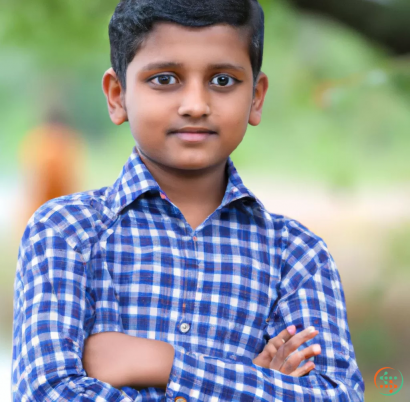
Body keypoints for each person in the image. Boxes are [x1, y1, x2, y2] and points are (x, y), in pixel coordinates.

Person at [11, 0, 365, 400]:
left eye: (223, 81)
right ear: (117, 95)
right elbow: (47, 392)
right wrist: (250, 383)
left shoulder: (297, 257)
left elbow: (337, 395)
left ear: (257, 97)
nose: (196, 105)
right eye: (164, 79)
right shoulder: (66, 233)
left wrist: (166, 363)